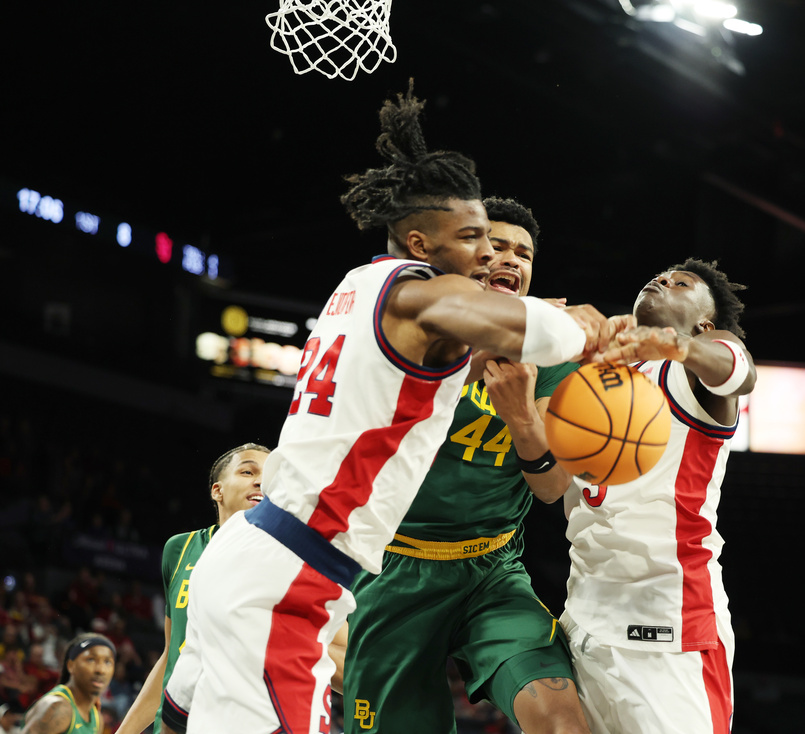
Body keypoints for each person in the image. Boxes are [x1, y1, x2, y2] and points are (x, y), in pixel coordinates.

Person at [161, 83, 621, 734]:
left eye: (503, 245)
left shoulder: (358, 286)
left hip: (272, 555)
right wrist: (587, 324)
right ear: (419, 242)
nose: (488, 254)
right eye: (473, 239)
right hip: (294, 575)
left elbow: (548, 475)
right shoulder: (421, 299)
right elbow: (543, 328)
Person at [343, 197, 590, 733]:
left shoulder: (548, 358)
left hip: (491, 571)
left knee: (562, 721)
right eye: (497, 246)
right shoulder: (413, 331)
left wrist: (523, 417)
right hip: (394, 571)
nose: (511, 259)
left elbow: (551, 488)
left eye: (523, 253)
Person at [560, 259, 755, 734]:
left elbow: (740, 372)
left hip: (668, 629)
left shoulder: (699, 366)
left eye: (681, 283)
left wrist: (677, 345)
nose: (661, 280)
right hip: (583, 616)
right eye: (661, 275)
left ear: (703, 325)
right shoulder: (598, 377)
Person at [117, 443, 271, 734]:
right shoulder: (181, 548)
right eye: (248, 471)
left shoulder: (288, 557)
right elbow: (172, 654)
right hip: (176, 722)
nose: (261, 480)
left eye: (272, 475)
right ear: (217, 491)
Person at [21, 633, 115, 734]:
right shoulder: (58, 708)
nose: (101, 670)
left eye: (107, 662)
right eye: (91, 659)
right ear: (71, 665)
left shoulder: (97, 719)